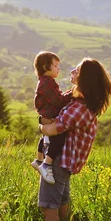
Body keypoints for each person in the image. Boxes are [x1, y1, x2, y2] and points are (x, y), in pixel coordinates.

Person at [37, 58, 111, 221]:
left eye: (78, 69)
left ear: (85, 78)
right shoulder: (79, 102)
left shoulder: (80, 108)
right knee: (63, 209)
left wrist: (41, 125)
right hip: (62, 164)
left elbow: (54, 129)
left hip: (57, 163)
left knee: (49, 209)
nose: (72, 70)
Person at [31, 51, 73, 184]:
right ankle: (46, 163)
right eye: (55, 65)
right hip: (50, 113)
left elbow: (58, 98)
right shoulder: (48, 83)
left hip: (46, 114)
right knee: (59, 136)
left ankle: (38, 160)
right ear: (45, 67)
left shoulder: (45, 81)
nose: (58, 68)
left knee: (45, 137)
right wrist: (73, 93)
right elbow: (59, 101)